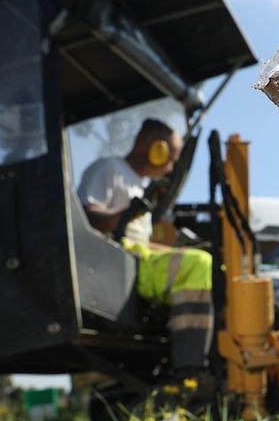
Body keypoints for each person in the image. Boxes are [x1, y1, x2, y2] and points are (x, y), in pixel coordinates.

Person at [77, 118, 213, 384]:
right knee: (198, 265)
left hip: (136, 255)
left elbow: (140, 239)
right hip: (118, 261)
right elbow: (86, 214)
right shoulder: (109, 169)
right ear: (154, 147)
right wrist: (124, 215)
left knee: (209, 262)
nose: (171, 167)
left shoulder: (139, 185)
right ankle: (189, 368)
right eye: (170, 157)